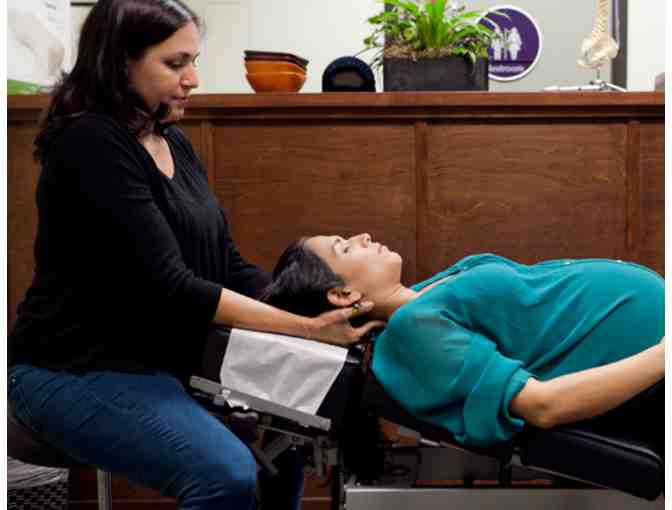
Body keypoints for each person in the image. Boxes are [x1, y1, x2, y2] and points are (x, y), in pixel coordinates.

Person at [7, 2, 384, 509]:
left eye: (193, 61)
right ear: (120, 63)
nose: (193, 79)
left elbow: (226, 264)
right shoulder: (90, 144)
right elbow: (173, 287)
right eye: (175, 63)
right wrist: (307, 329)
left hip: (165, 366)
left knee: (279, 454)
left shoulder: (174, 144)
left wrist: (321, 302)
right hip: (70, 371)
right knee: (226, 474)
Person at [261, 233, 665, 451]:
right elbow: (543, 406)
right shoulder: (412, 332)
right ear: (342, 294)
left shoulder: (421, 297)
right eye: (345, 247)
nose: (364, 236)